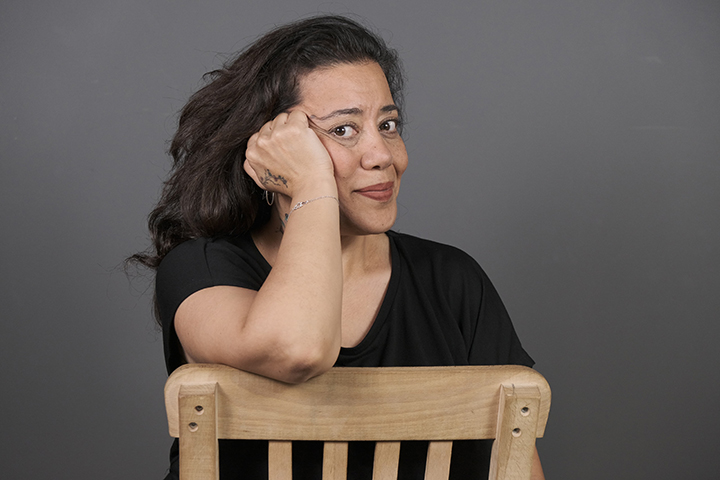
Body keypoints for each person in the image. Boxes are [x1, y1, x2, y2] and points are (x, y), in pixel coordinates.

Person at [132, 14, 544, 480]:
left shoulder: (453, 281)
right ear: (272, 148)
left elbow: (519, 466)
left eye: (388, 124)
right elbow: (298, 349)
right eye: (344, 130)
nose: (383, 155)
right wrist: (311, 184)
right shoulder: (200, 270)